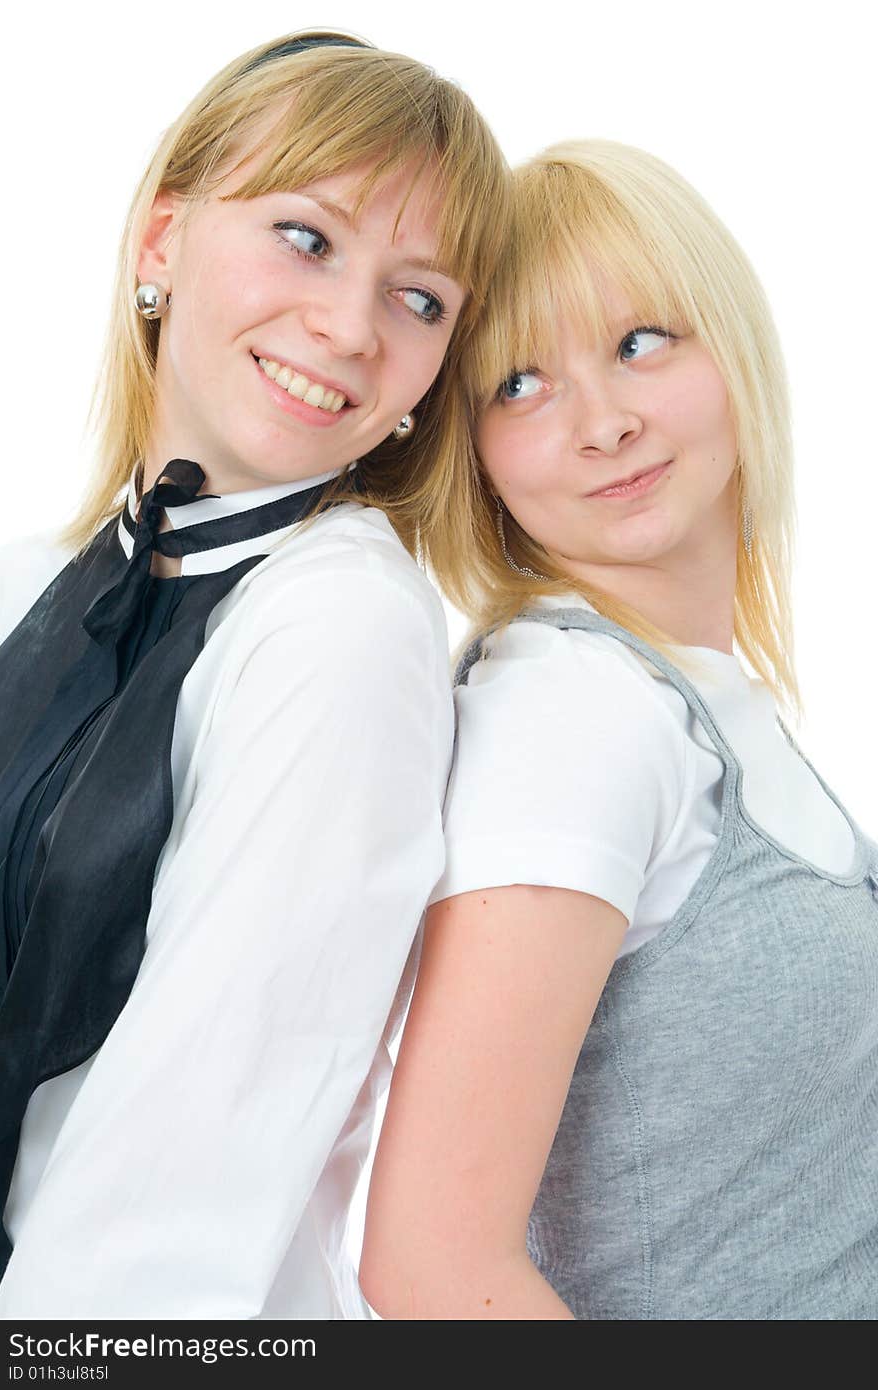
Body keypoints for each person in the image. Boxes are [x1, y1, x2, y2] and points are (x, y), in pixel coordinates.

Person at [0, 30, 508, 1318]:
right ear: (160, 241)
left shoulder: (336, 633)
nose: (346, 327)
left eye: (419, 297)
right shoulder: (42, 579)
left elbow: (173, 1200)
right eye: (307, 236)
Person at [360, 140, 878, 1320]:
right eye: (520, 385)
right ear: (472, 453)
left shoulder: (704, 699)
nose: (601, 424)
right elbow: (436, 1270)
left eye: (641, 342)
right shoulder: (573, 715)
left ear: (732, 343)